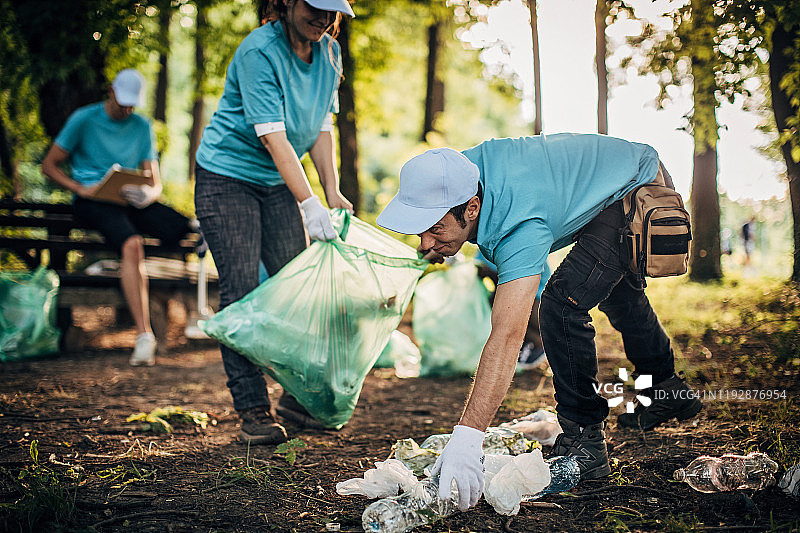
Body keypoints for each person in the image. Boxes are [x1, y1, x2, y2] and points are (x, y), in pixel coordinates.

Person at [376, 133, 703, 511]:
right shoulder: (453, 173)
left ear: (472, 208)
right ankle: (668, 389)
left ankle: (585, 441)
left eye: (434, 230)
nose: (424, 243)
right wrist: (441, 239)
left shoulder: (519, 222)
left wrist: (467, 437)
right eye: (420, 231)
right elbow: (446, 215)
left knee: (562, 303)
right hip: (621, 174)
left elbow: (507, 335)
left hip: (637, 186)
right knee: (619, 294)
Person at [193, 0, 355, 446]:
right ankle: (253, 411)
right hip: (228, 178)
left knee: (298, 292)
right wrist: (308, 204)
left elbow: (322, 127)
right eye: (313, 7)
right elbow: (274, 136)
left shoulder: (330, 55)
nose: (323, 19)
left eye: (332, 12)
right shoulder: (258, 52)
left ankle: (297, 402)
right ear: (287, 1)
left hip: (282, 178)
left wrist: (331, 190)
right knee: (241, 291)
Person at [41, 68, 196, 367]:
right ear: (110, 91)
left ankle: (196, 311)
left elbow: (155, 181)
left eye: (131, 104)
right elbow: (49, 165)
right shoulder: (83, 119)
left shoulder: (141, 125)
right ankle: (144, 335)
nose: (126, 109)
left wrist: (149, 195)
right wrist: (79, 188)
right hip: (93, 200)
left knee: (185, 227)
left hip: (128, 198)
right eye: (122, 101)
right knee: (132, 244)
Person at [475, 250, 551, 370]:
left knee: (528, 317)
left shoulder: (521, 245)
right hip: (514, 295)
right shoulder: (485, 247)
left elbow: (517, 278)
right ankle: (533, 344)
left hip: (536, 293)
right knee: (496, 303)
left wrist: (490, 273)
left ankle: (539, 345)